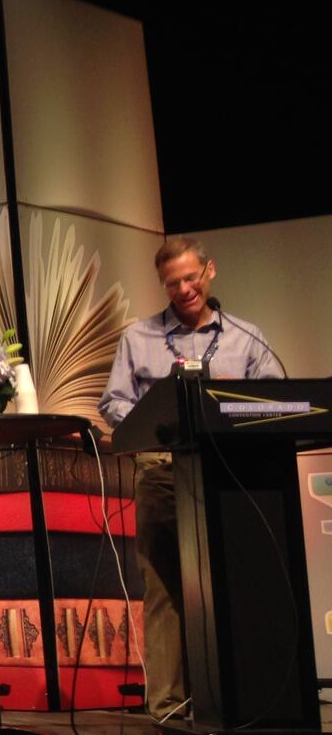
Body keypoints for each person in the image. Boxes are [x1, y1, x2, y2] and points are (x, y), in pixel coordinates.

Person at [97, 235, 282, 722]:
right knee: (165, 587)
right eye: (172, 282)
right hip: (161, 472)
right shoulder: (139, 338)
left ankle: (245, 694)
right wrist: (148, 417)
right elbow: (113, 402)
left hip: (231, 474)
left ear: (210, 271)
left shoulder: (247, 336)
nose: (183, 289)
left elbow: (272, 402)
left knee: (238, 581)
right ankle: (170, 708)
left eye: (190, 277)